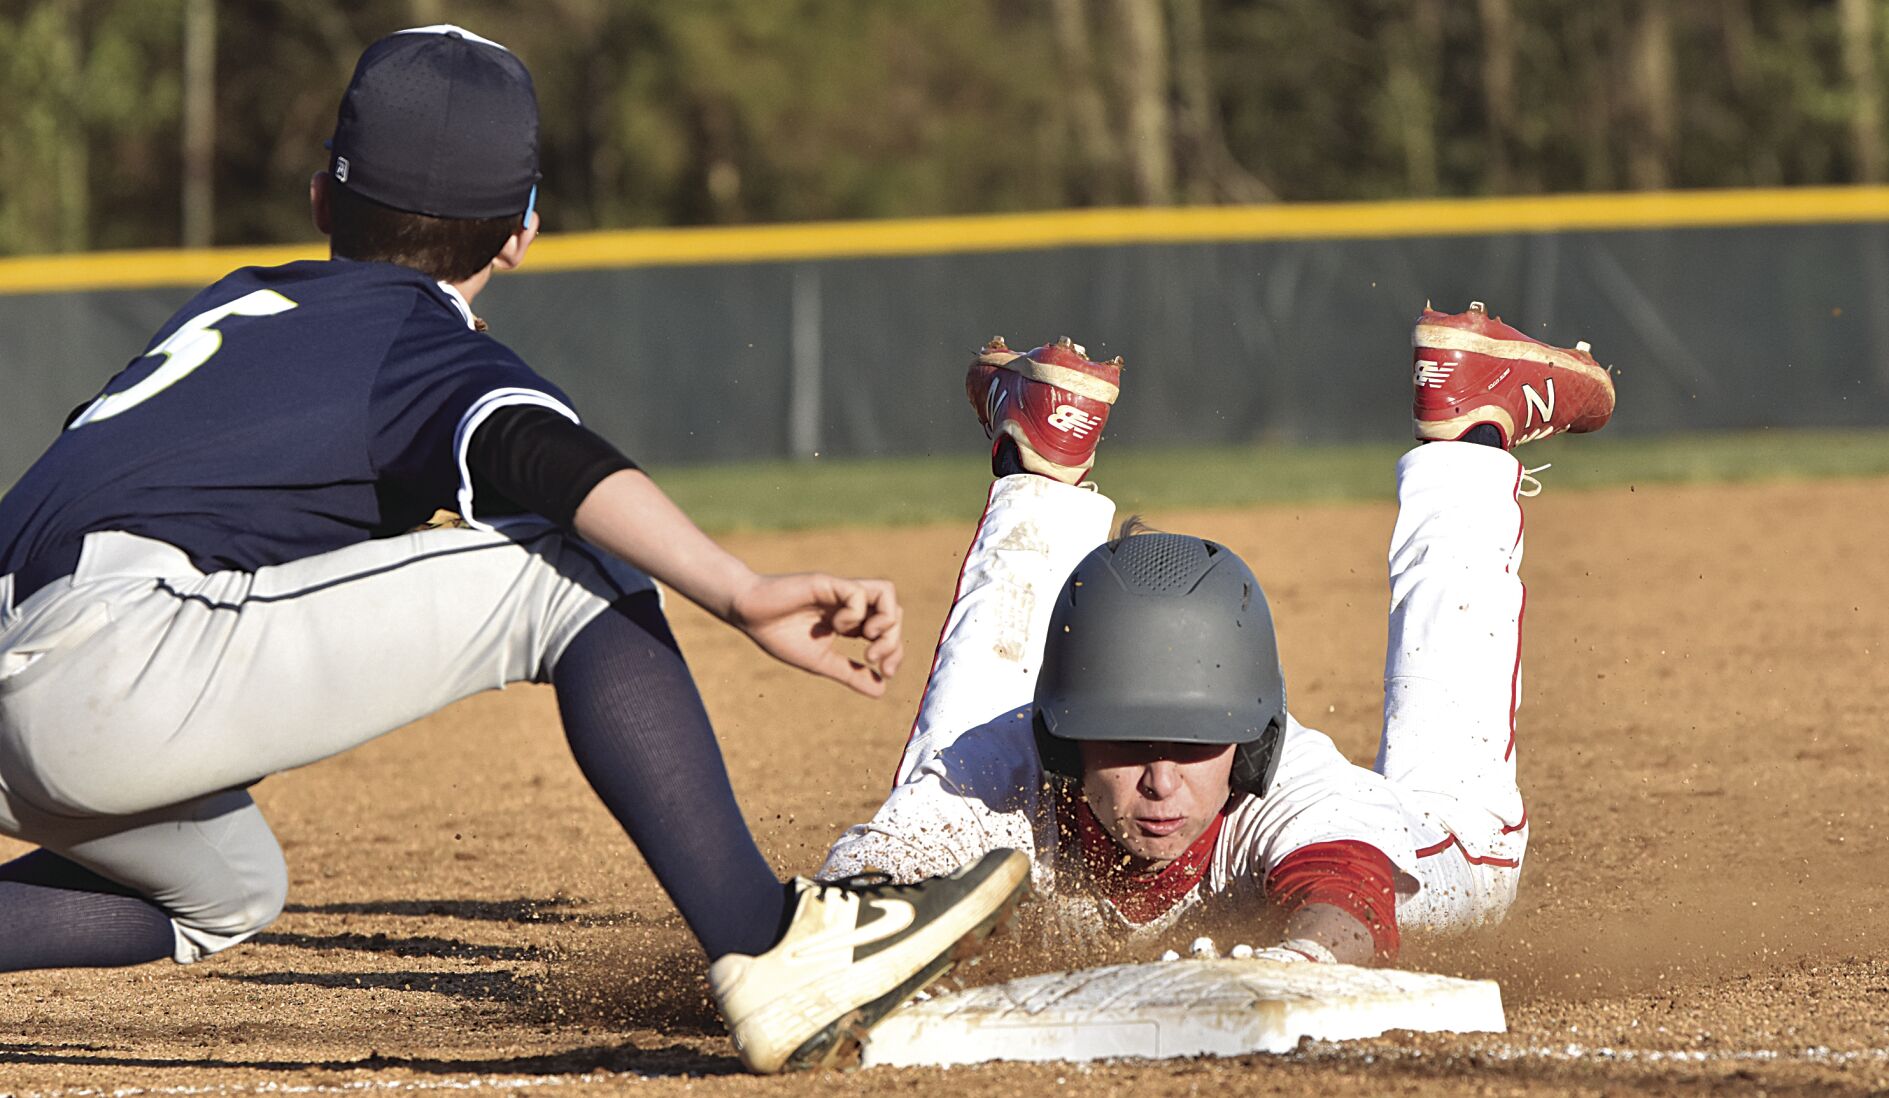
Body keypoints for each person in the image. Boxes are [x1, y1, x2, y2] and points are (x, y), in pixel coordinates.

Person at [0, 25, 1029, 1075]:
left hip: (31, 661)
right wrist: (738, 590)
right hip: (109, 669)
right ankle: (772, 945)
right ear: (521, 233)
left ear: (321, 201)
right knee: (572, 571)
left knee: (222, 885)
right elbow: (537, 453)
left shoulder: (236, 304)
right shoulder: (414, 341)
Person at [821, 304, 1616, 965]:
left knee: (1478, 859)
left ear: (1254, 743)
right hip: (1019, 763)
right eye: (1126, 744)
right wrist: (851, 927)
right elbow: (871, 872)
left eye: (1198, 744)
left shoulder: (1296, 794)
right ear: (1061, 740)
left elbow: (1351, 898)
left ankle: (1468, 447)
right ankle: (1039, 451)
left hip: (1387, 835)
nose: (1162, 782)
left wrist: (1299, 963)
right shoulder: (1000, 771)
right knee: (949, 782)